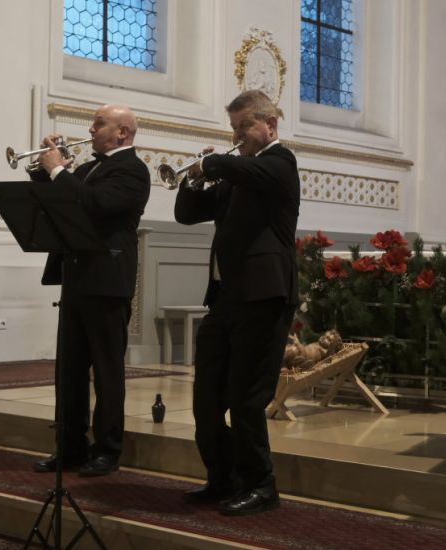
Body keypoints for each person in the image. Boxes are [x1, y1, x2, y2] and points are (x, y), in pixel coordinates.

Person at [174, 90, 299, 515]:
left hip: (264, 297)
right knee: (206, 399)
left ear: (271, 125)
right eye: (233, 128)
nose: (237, 135)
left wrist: (211, 164)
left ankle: (262, 486)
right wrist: (193, 179)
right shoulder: (236, 176)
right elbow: (187, 214)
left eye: (244, 126)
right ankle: (222, 478)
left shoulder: (280, 164)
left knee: (247, 399)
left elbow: (250, 172)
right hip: (226, 299)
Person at [31, 104, 151, 477]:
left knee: (106, 370)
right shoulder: (87, 169)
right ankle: (70, 447)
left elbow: (95, 204)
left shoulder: (133, 170)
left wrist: (59, 171)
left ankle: (107, 450)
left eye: (99, 124)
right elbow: (55, 199)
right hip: (77, 276)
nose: (91, 129)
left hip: (108, 280)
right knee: (68, 370)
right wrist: (44, 165)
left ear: (122, 132)